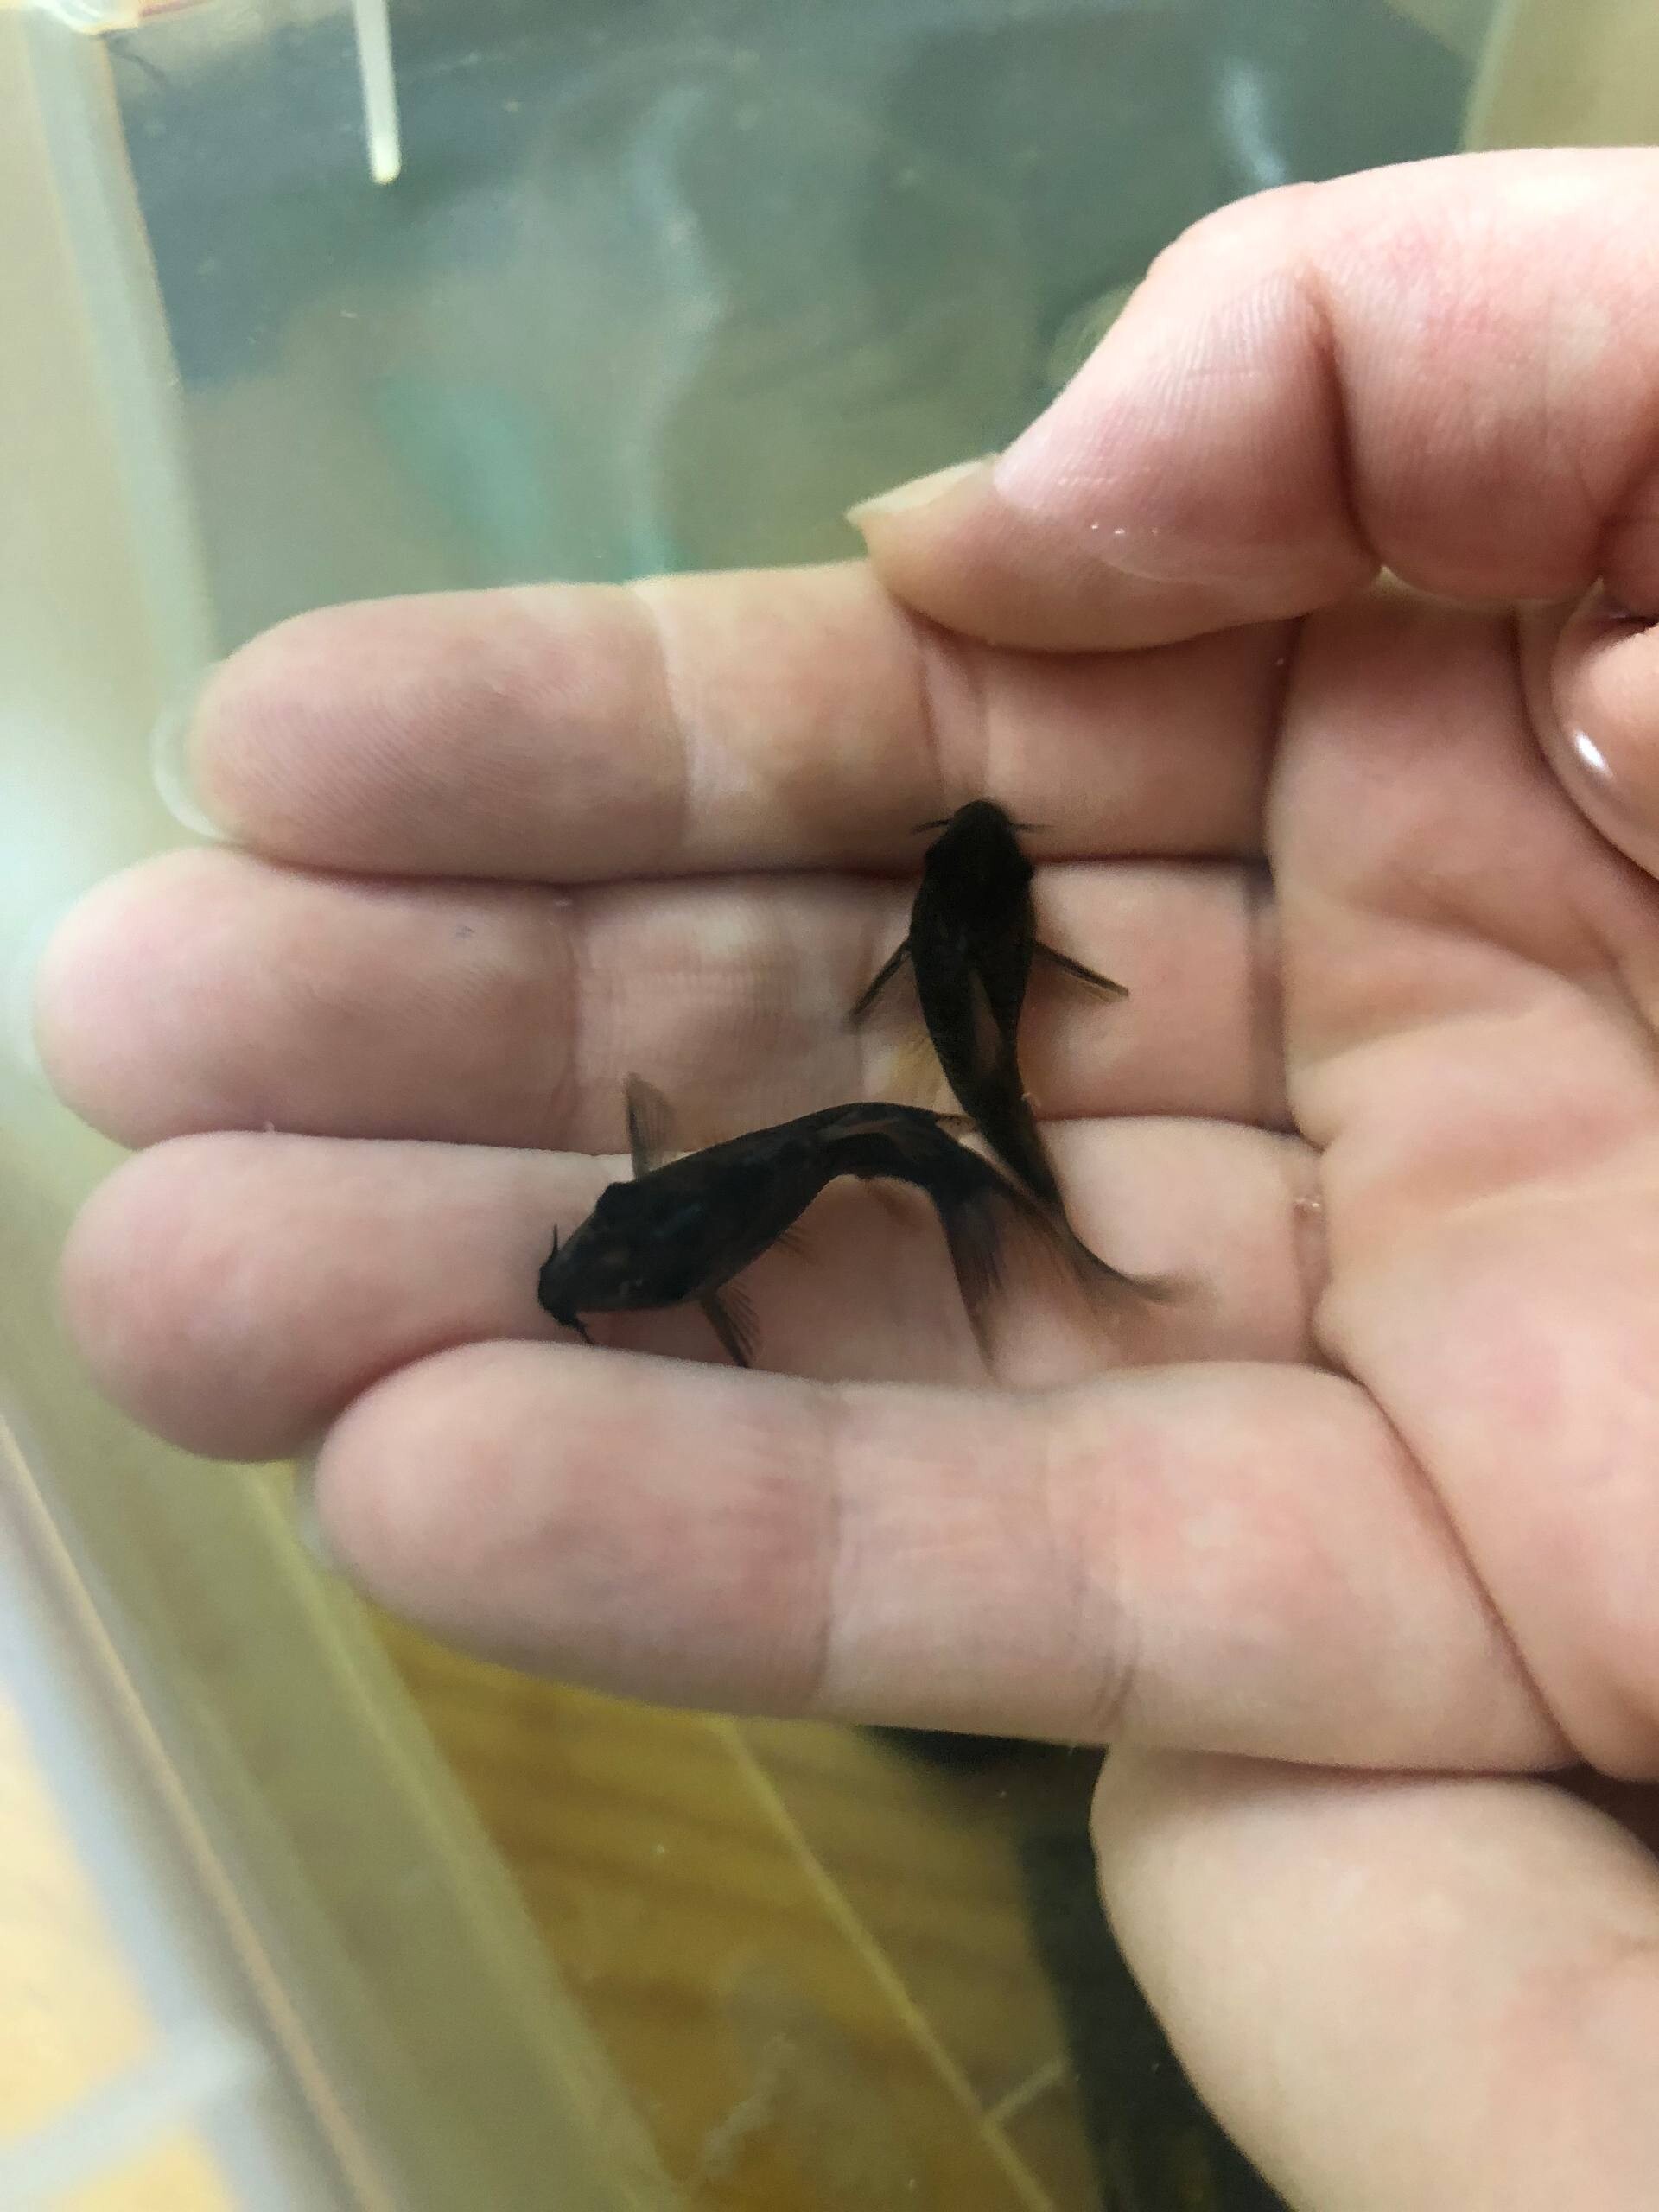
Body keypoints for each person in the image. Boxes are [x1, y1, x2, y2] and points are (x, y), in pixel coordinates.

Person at [34, 149, 1659, 2206]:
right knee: (911, 1149)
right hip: (867, 1133)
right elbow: (758, 1167)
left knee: (916, 1147)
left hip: (875, 1130)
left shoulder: (735, 1186)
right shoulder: (707, 1203)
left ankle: (1022, 1211)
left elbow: (782, 1151)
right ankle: (1023, 1212)